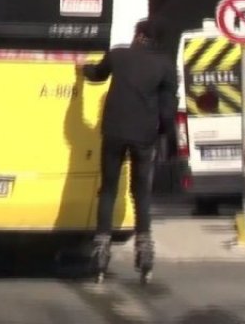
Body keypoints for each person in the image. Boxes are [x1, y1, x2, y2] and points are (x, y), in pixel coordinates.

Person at [76, 18, 179, 277]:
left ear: (138, 34)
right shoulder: (165, 66)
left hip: (114, 132)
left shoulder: (118, 55)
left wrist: (81, 68)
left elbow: (96, 75)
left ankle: (101, 247)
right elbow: (168, 110)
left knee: (108, 189)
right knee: (140, 191)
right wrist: (165, 137)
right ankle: (144, 249)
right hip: (145, 136)